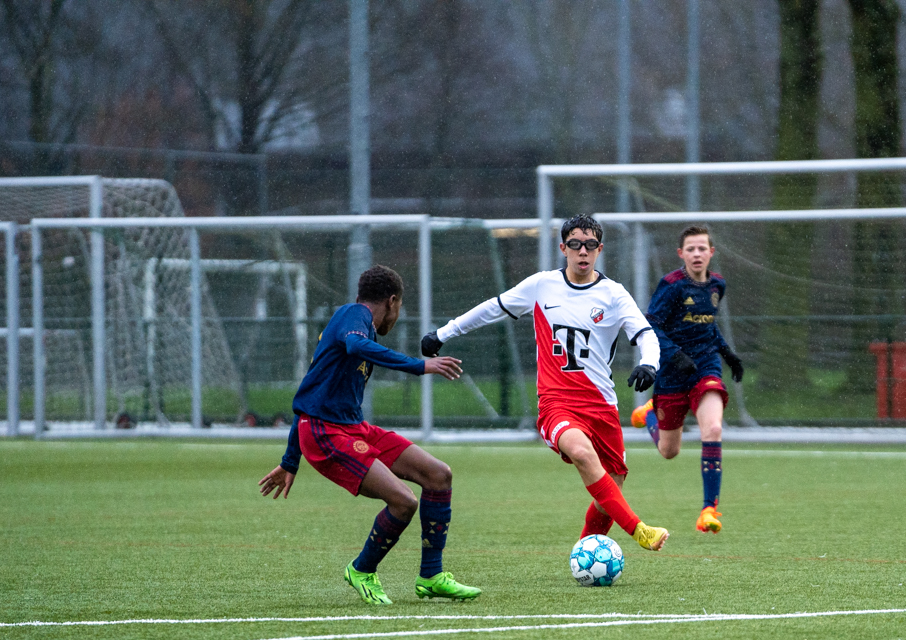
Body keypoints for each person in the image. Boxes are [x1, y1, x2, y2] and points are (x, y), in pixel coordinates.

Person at [421, 214, 669, 551]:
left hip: (602, 405)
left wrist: (649, 364)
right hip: (557, 403)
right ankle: (639, 530)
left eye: (591, 245)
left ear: (600, 250)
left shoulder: (614, 294)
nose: (583, 252)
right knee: (582, 453)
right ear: (563, 247)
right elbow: (491, 309)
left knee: (613, 483)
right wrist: (443, 333)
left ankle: (584, 552)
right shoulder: (541, 286)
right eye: (576, 245)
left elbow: (645, 335)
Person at [258, 265, 481, 606]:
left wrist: (289, 460)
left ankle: (432, 576)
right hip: (325, 433)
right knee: (404, 501)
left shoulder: (358, 325)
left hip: (350, 426)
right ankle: (362, 570)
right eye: (400, 306)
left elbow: (311, 389)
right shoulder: (353, 316)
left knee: (438, 475)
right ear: (392, 301)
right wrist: (419, 365)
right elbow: (354, 347)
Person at [631, 225, 744, 534]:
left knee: (714, 428)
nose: (697, 254)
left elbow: (709, 326)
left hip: (705, 367)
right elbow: (650, 324)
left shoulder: (717, 285)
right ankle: (651, 414)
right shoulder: (671, 286)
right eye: (690, 249)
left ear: (711, 253)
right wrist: (673, 354)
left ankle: (709, 510)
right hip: (672, 371)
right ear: (681, 254)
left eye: (702, 248)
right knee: (669, 451)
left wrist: (726, 353)